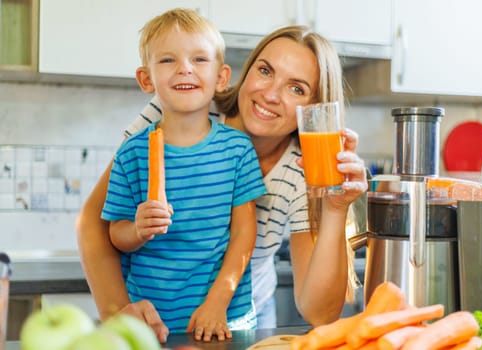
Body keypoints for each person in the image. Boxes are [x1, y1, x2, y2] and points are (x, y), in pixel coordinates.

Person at [76, 23, 368, 343]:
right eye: (265, 70)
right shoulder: (185, 106)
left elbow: (319, 313)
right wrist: (119, 312)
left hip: (237, 320)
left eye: (296, 88)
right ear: (243, 72)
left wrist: (336, 208)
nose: (270, 94)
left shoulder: (302, 170)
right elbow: (94, 221)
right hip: (156, 315)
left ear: (314, 109)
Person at [100, 8, 266, 339]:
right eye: (167, 61)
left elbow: (244, 235)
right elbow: (115, 234)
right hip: (152, 323)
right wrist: (138, 229)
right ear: (146, 79)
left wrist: (217, 303)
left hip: (224, 320)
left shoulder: (237, 150)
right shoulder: (131, 154)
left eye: (199, 59)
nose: (184, 69)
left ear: (221, 77)